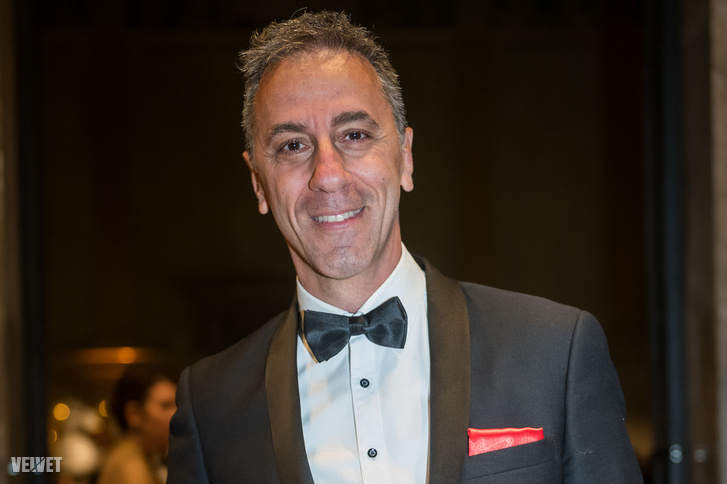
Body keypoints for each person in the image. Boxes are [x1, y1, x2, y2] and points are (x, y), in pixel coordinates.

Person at [167, 10, 643, 483]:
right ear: (258, 183)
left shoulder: (555, 351)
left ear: (406, 157)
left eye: (354, 135)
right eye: (293, 145)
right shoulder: (211, 406)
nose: (328, 175)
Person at [98, 366, 177, 484]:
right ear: (134, 414)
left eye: (177, 405)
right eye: (165, 406)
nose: (177, 414)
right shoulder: (130, 467)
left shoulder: (141, 457)